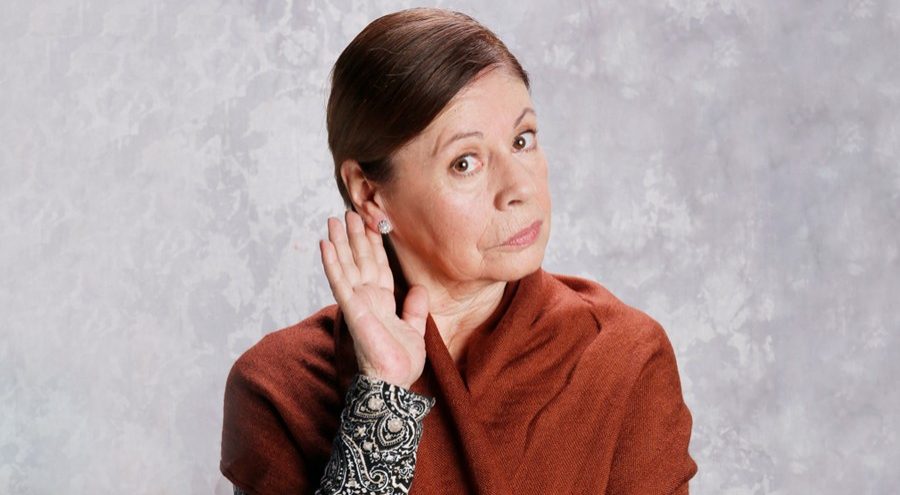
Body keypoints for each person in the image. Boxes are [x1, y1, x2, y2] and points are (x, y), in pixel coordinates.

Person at [220, 7, 697, 494]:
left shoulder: (622, 357)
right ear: (368, 192)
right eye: (465, 163)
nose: (519, 187)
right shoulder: (278, 388)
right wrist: (381, 398)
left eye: (522, 140)